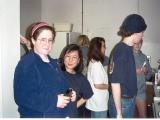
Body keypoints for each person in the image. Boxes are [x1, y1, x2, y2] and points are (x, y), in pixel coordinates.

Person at [14, 22, 76, 118]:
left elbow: (62, 84)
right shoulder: (26, 64)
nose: (47, 44)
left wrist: (70, 92)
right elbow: (23, 97)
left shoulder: (52, 62)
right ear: (33, 40)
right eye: (43, 40)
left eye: (50, 40)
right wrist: (54, 101)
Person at [108, 14, 147, 118]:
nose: (142, 36)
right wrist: (119, 113)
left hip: (127, 100)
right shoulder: (122, 51)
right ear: (135, 32)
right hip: (123, 102)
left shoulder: (127, 48)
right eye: (142, 33)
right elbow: (115, 83)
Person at [59, 44, 93, 117]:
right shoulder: (56, 73)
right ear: (63, 58)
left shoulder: (80, 78)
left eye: (74, 57)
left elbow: (88, 95)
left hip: (72, 116)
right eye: (68, 56)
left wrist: (74, 106)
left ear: (78, 61)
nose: (70, 60)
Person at [86, 37, 109, 118]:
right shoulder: (96, 64)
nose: (105, 48)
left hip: (96, 101)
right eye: (103, 46)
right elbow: (98, 85)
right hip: (99, 103)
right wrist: (111, 86)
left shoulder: (93, 61)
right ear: (97, 48)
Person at [133, 39, 152, 118]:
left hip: (141, 92)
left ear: (141, 44)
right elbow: (122, 72)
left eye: (139, 43)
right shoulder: (127, 55)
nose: (137, 45)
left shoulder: (144, 57)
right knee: (130, 116)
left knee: (143, 116)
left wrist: (146, 72)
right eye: (135, 43)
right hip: (129, 93)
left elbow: (149, 75)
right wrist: (134, 71)